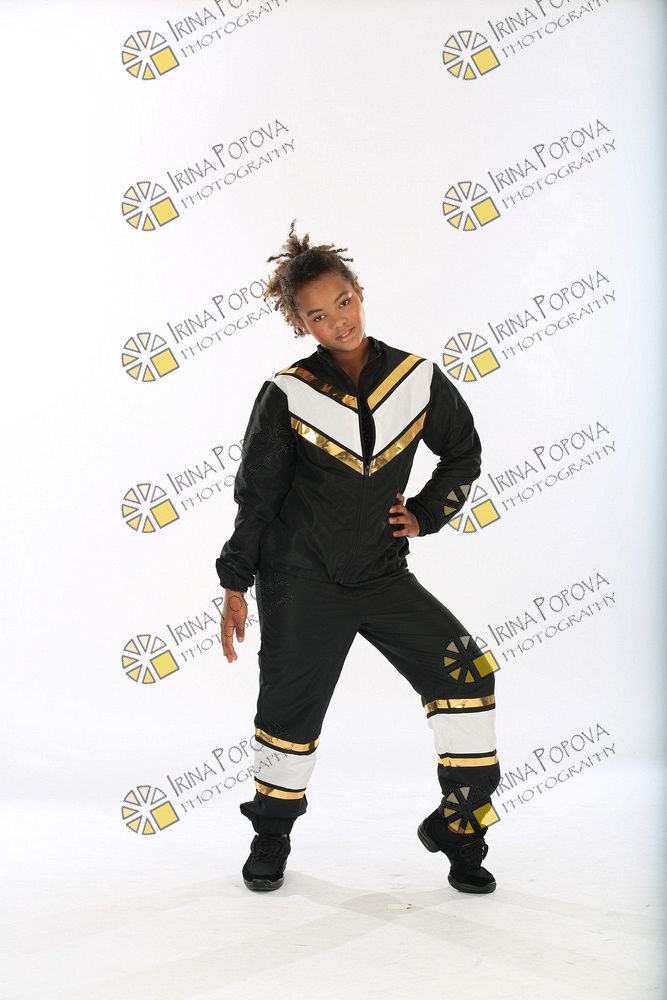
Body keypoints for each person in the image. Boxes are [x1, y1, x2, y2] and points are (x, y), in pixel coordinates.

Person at [216, 219, 501, 894]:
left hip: (381, 576)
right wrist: (234, 582)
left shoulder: (416, 378)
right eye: (317, 315)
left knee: (467, 674)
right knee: (288, 714)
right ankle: (270, 834)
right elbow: (257, 495)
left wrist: (426, 513)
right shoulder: (288, 392)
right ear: (299, 324)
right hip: (299, 582)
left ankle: (461, 827)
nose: (337, 321)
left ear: (359, 292)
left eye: (343, 302)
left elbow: (462, 453)